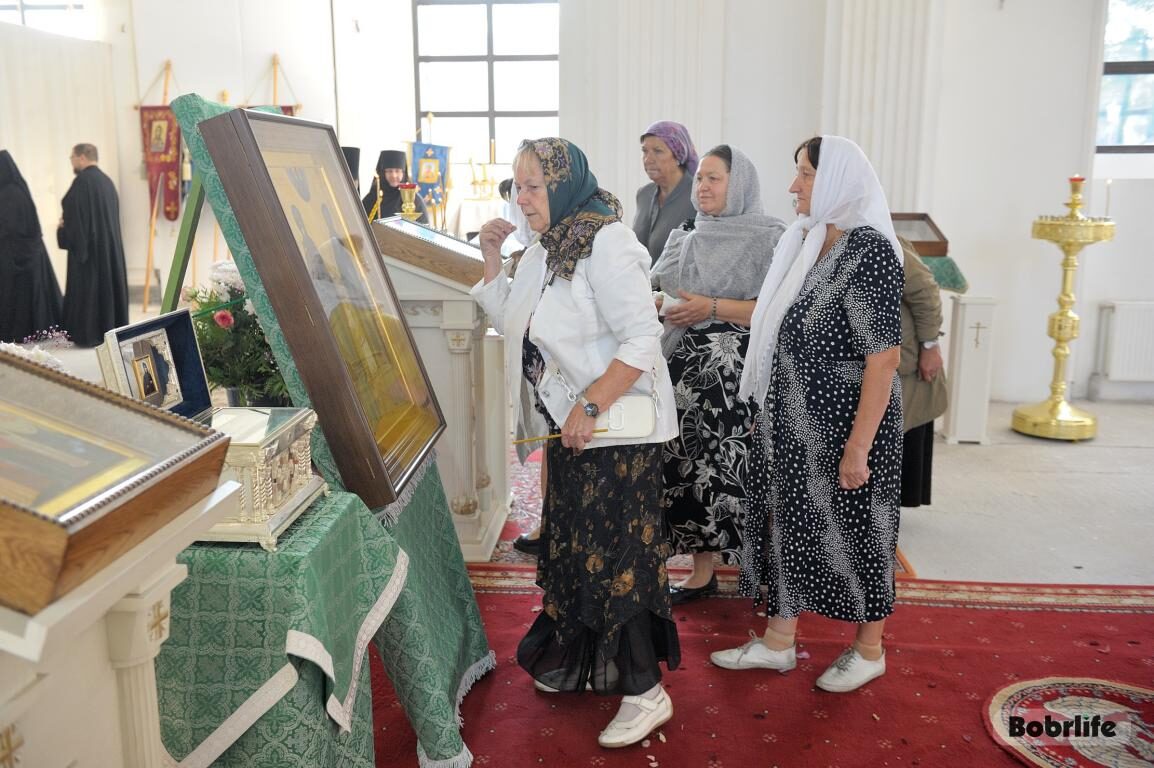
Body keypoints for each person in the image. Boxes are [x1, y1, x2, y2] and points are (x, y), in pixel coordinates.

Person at [472, 138, 680, 748]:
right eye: (517, 186)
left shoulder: (607, 242)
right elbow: (512, 321)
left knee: (618, 558)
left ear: (564, 185)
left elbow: (642, 339)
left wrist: (591, 405)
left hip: (613, 433)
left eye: (534, 186)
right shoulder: (545, 247)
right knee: (577, 549)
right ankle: (588, 661)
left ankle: (646, 691)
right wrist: (492, 258)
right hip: (574, 430)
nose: (522, 198)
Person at [718, 135, 904, 694]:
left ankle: (869, 650)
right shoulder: (810, 239)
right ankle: (779, 641)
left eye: (806, 174)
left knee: (861, 528)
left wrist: (858, 448)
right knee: (789, 523)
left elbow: (883, 359)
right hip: (796, 417)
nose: (793, 186)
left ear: (838, 180)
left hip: (848, 421)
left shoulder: (869, 251)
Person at [650, 145, 786, 603]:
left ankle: (763, 572)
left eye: (715, 179)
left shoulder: (770, 237)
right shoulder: (687, 235)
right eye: (700, 178)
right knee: (690, 468)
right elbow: (662, 289)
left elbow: (776, 309)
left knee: (743, 468)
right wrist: (661, 304)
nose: (703, 187)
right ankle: (701, 571)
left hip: (740, 376)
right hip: (685, 371)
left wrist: (710, 307)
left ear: (739, 184)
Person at [56, 143, 129, 348]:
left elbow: (73, 217)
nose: (71, 162)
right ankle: (110, 330)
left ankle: (89, 334)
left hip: (90, 254)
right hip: (110, 251)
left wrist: (63, 228)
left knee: (91, 292)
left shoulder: (82, 183)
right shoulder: (107, 182)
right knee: (108, 290)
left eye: (72, 158)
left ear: (81, 157)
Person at [898, 238, 948, 507]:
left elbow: (924, 291)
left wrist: (930, 344)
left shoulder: (886, 240)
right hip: (878, 359)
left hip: (904, 359)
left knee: (904, 433)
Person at [0, 150, 63, 343]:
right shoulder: (19, 189)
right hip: (30, 251)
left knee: (16, 294)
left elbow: (9, 226)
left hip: (14, 253)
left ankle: (20, 331)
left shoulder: (8, 194)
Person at [633, 121, 698, 265]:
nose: (648, 159)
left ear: (678, 155)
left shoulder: (699, 197)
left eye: (658, 151)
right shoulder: (643, 194)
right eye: (645, 151)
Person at [361, 149, 429, 223]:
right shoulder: (372, 199)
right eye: (389, 171)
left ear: (404, 173)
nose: (394, 175)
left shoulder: (414, 200)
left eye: (397, 171)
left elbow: (424, 226)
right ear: (382, 173)